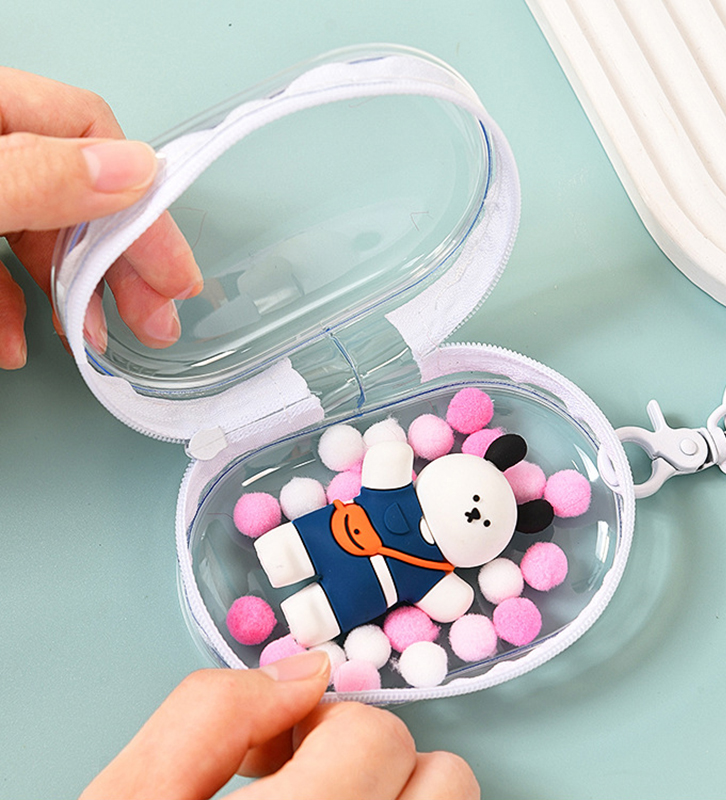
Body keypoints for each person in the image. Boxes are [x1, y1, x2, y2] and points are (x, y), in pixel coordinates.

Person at [1, 69, 480, 799]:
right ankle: (292, 572)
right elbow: (387, 466)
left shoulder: (436, 565)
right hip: (331, 536)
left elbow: (432, 568)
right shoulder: (411, 517)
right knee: (293, 549)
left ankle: (306, 604)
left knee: (319, 609)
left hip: (362, 585)